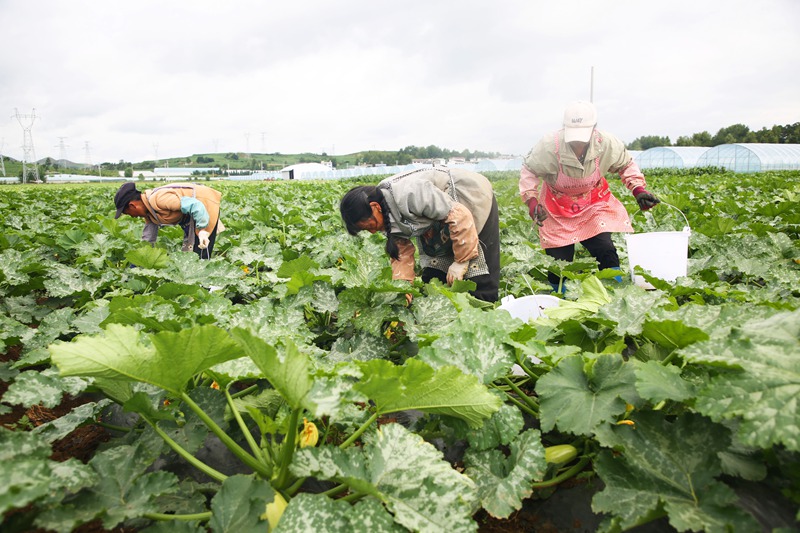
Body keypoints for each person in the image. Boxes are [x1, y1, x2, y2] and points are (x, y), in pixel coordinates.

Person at [519, 101, 660, 291]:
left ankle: (615, 293)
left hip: (593, 202)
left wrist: (638, 190)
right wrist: (532, 202)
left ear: (594, 129)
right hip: (556, 205)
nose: (578, 143)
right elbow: (529, 171)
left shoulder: (607, 143)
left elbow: (625, 164)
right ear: (564, 129)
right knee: (559, 261)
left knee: (605, 248)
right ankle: (560, 297)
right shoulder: (548, 146)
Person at [340, 167, 500, 302]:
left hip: (471, 196)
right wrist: (403, 290)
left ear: (375, 207)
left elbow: (460, 216)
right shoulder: (386, 215)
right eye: (367, 230)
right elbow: (401, 254)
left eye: (371, 226)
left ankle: (486, 315)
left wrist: (461, 262)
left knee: (478, 274)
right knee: (434, 278)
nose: (373, 231)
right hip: (441, 216)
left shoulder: (409, 194)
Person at [114, 182, 223, 259]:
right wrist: (140, 259)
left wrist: (202, 229)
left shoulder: (159, 199)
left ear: (132, 206)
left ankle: (203, 288)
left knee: (200, 251)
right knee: (189, 255)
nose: (132, 216)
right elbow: (148, 238)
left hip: (203, 206)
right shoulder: (149, 214)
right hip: (190, 216)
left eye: (127, 213)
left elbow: (196, 205)